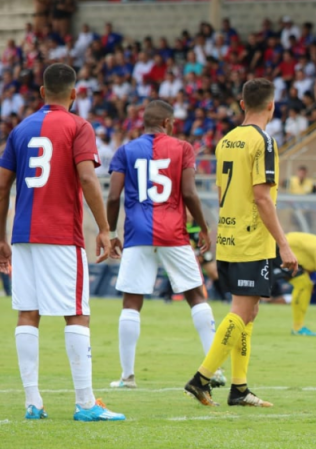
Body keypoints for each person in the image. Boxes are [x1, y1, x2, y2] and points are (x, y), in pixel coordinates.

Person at [0, 63, 125, 421]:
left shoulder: (20, 129)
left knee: (28, 312)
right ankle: (85, 403)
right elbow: (87, 177)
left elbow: (1, 186)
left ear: (42, 93)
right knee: (77, 312)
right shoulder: (78, 126)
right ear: (74, 94)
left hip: (23, 234)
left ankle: (32, 402)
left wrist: (2, 238)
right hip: (60, 234)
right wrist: (105, 228)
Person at [183, 79, 299, 408]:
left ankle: (239, 388)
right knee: (242, 310)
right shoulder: (263, 142)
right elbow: (263, 198)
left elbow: (221, 193)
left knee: (249, 312)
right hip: (252, 238)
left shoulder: (227, 140)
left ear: (242, 104)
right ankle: (202, 378)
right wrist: (284, 245)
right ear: (272, 107)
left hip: (230, 235)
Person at [104, 100, 221, 390]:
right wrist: (203, 228)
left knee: (131, 303)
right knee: (196, 296)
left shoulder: (126, 150)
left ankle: (127, 377)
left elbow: (113, 197)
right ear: (168, 123)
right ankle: (214, 370)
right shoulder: (182, 148)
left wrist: (108, 231)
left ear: (144, 123)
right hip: (174, 232)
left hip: (137, 233)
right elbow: (190, 193)